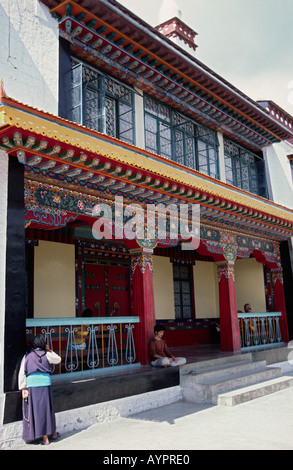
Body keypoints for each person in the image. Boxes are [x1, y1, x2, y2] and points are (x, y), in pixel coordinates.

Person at [18, 334, 61, 445]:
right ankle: (52, 433)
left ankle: (44, 437)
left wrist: (23, 388)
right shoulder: (47, 355)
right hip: (45, 384)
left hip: (33, 386)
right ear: (43, 344)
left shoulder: (28, 356)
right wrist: (49, 350)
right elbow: (58, 359)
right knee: (48, 410)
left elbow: (22, 373)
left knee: (38, 412)